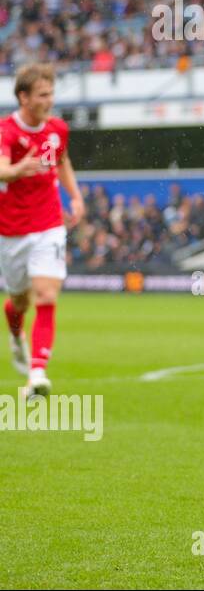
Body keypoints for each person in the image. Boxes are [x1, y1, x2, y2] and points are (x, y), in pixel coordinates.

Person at [0, 64, 85, 400]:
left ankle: (37, 375)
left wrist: (75, 196)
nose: (50, 100)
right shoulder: (6, 131)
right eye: (43, 95)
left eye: (51, 93)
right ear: (24, 97)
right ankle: (15, 330)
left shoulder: (57, 129)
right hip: (11, 231)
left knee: (47, 294)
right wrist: (17, 170)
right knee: (18, 301)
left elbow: (61, 161)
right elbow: (2, 168)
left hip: (49, 223)